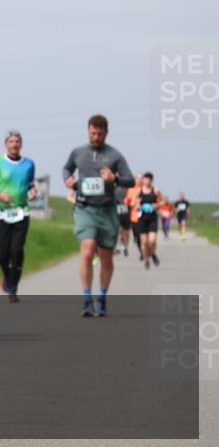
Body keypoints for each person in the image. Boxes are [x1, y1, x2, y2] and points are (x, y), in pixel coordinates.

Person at [62, 114, 134, 318]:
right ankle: (86, 299)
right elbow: (67, 168)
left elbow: (130, 180)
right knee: (87, 251)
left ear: (106, 133)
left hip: (107, 210)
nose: (96, 137)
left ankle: (101, 298)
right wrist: (68, 179)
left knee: (106, 257)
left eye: (100, 134)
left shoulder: (115, 155)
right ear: (88, 131)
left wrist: (115, 178)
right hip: (85, 208)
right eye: (93, 133)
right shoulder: (78, 152)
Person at [0, 130, 37, 303]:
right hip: (1, 212)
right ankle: (7, 276)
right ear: (6, 144)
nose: (14, 144)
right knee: (2, 254)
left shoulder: (29, 164)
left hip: (22, 211)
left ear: (21, 144)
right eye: (11, 141)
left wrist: (33, 190)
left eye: (17, 141)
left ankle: (13, 288)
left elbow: (29, 184)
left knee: (16, 250)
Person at [135, 172, 164, 269]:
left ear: (151, 180)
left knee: (152, 240)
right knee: (144, 242)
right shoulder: (139, 191)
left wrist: (157, 205)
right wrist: (137, 203)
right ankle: (146, 260)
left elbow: (163, 201)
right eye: (145, 179)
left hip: (152, 218)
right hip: (142, 218)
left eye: (149, 179)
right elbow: (132, 203)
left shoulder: (155, 190)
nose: (147, 181)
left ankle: (153, 254)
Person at [114, 184, 133, 257]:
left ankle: (125, 247)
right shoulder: (112, 187)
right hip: (115, 211)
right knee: (117, 230)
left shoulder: (128, 188)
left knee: (125, 231)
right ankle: (116, 247)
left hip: (126, 212)